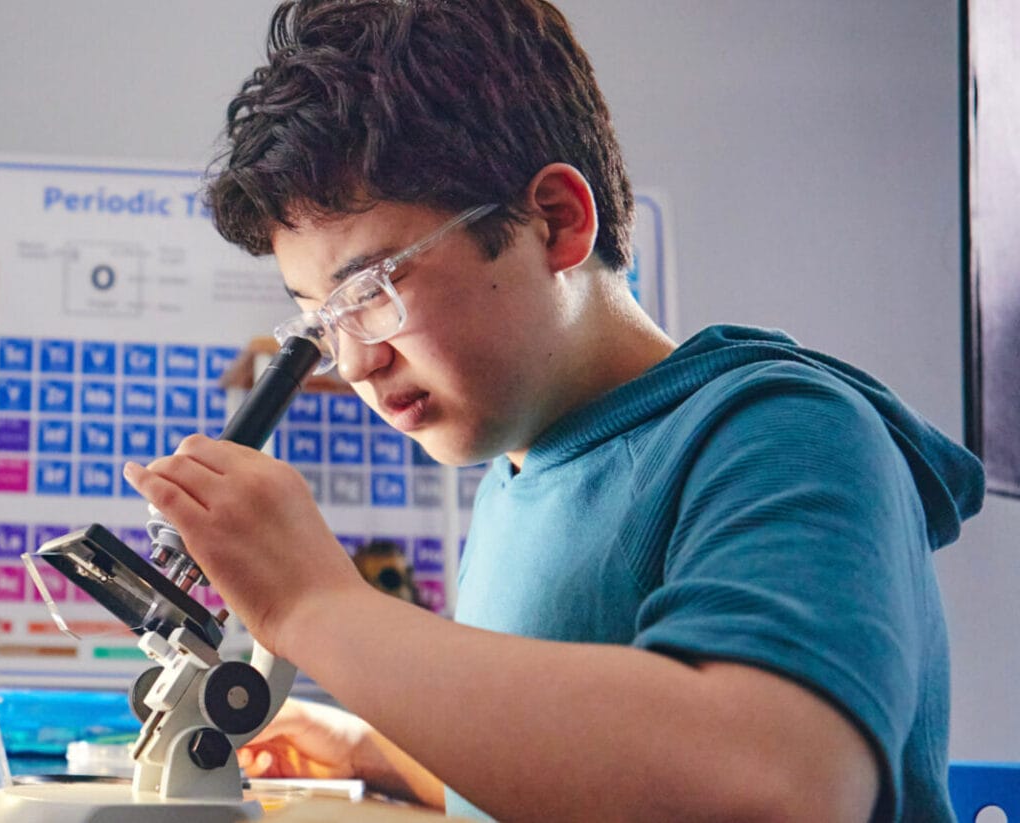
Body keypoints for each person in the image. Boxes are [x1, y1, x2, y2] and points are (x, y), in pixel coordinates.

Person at [120, 1, 986, 820]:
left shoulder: (787, 432)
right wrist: (377, 748)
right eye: (321, 322)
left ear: (557, 220)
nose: (353, 362)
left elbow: (773, 781)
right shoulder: (522, 469)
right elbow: (594, 759)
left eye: (372, 290)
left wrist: (314, 605)